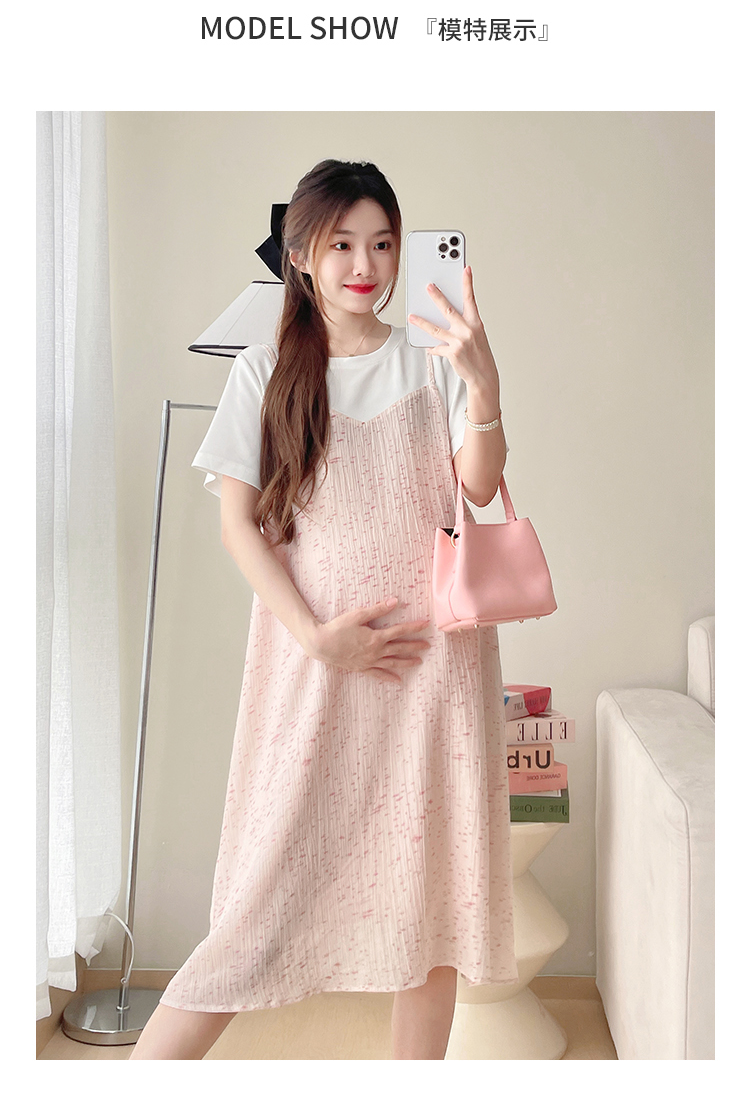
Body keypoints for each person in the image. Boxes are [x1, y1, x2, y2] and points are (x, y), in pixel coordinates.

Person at [130, 159, 517, 1061]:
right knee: (259, 908)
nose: (365, 266)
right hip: (317, 664)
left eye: (382, 244)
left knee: (429, 905)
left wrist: (484, 385)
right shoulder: (266, 370)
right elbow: (238, 525)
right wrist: (315, 638)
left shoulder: (430, 360)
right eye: (341, 245)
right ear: (300, 254)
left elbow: (478, 488)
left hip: (434, 667)